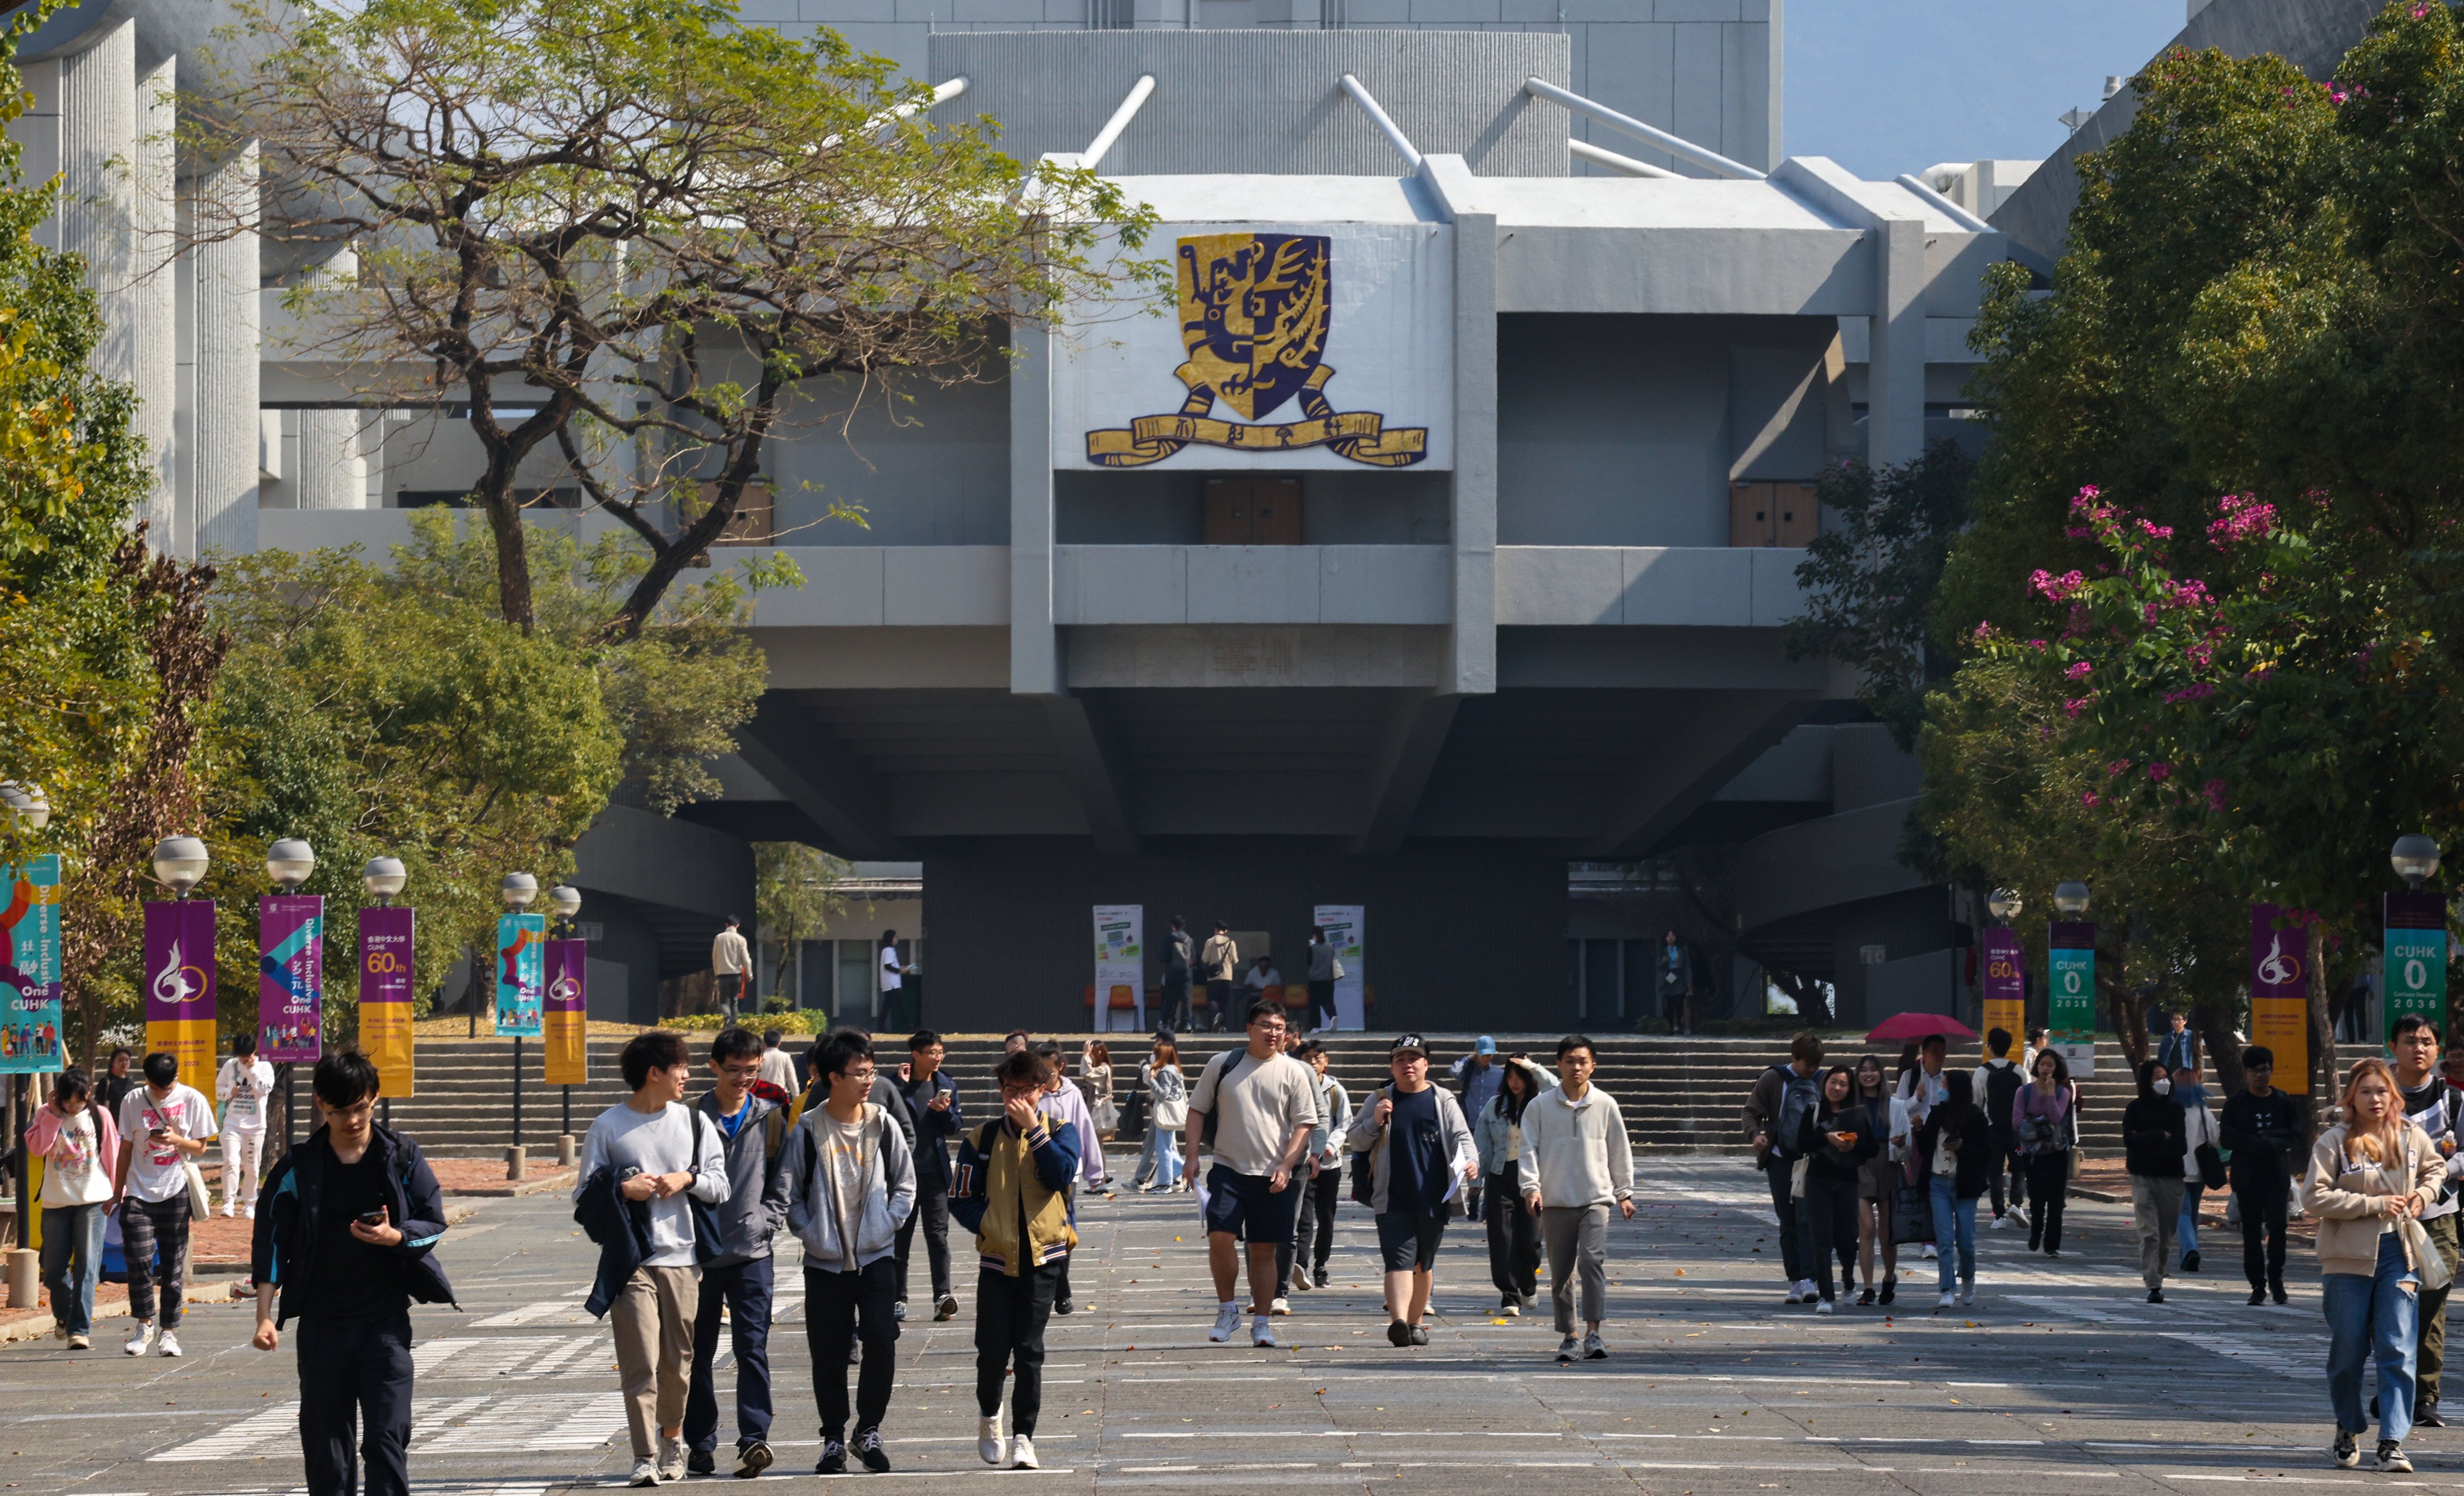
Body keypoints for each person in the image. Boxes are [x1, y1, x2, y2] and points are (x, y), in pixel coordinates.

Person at [248, 1050, 454, 1496]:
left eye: (361, 1106)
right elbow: (270, 1243)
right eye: (341, 1110)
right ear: (322, 1103)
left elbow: (433, 1219)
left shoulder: (400, 1156)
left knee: (386, 1437)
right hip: (323, 1327)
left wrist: (395, 1236)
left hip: (385, 1325)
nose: (353, 1119)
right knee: (328, 1452)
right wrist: (265, 1315)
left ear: (374, 1097)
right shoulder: (297, 1168)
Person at [575, 1029, 732, 1487]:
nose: (687, 1074)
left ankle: (672, 1439)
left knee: (676, 1361)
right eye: (680, 1067)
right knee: (640, 1357)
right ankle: (644, 1454)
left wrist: (687, 1178)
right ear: (654, 1073)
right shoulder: (608, 1126)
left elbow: (719, 1184)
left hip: (684, 1258)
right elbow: (583, 1196)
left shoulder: (695, 1123)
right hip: (632, 1260)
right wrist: (624, 1189)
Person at [777, 1029, 916, 1476]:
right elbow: (789, 1191)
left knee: (882, 1337)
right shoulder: (807, 1128)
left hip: (876, 1256)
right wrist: (808, 1230)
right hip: (825, 1261)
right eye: (859, 1073)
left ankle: (868, 1428)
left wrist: (889, 1221)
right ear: (832, 1077)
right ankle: (833, 1438)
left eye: (870, 1071)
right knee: (829, 1351)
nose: (867, 1080)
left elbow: (905, 1183)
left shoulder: (882, 1123)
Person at [2308, 1057, 2444, 1473]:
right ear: (2352, 1096)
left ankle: (2391, 1442)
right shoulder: (2334, 1140)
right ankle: (2347, 1426)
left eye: (2381, 1090)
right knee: (2348, 1351)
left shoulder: (2409, 1136)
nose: (2374, 1098)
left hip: (2398, 1255)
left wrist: (2423, 1195)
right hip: (2345, 1259)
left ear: (2393, 1096)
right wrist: (2371, 1204)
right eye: (2365, 1090)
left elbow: (2435, 1167)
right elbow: (2314, 1197)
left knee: (2397, 1347)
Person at [951, 1048, 1081, 1471]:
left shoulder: (1062, 1130)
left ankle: (1025, 1436)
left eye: (1026, 1090)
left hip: (1044, 1259)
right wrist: (987, 1225)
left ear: (1042, 1090)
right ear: (1001, 1089)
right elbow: (959, 1196)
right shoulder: (981, 1138)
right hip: (997, 1258)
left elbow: (1062, 1175)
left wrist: (1034, 1133)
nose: (1017, 1097)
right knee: (991, 1352)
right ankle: (990, 1416)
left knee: (1028, 1351)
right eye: (1010, 1089)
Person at [684, 1028, 790, 1480]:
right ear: (714, 1066)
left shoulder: (770, 1117)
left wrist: (766, 1221)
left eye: (751, 1069)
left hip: (752, 1252)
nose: (743, 1077)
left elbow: (782, 1179)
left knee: (752, 1348)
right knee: (698, 1352)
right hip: (701, 1256)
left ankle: (754, 1438)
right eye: (733, 1070)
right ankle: (701, 1444)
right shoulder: (689, 1118)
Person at [1185, 998, 1321, 1349]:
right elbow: (1197, 1110)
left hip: (1273, 1176)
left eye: (1279, 1027)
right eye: (1266, 1025)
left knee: (1264, 1251)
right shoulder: (1223, 1064)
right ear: (1249, 1029)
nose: (1273, 1033)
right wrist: (1190, 1157)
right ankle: (1228, 1309)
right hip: (1228, 1169)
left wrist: (1287, 1165)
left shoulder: (1295, 1071)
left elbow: (1304, 1124)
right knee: (1220, 1236)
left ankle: (1261, 1323)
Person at [1347, 1033, 1477, 1347]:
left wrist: (1470, 1161)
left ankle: (1416, 1323)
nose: (1407, 1065)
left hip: (1434, 1195)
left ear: (1426, 1064)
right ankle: (1399, 1322)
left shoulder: (1442, 1099)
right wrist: (1374, 1121)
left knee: (1423, 1262)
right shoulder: (1380, 1098)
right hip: (1391, 1196)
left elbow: (1462, 1136)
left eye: (1413, 1059)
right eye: (1400, 1060)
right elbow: (1355, 1140)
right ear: (1392, 1067)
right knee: (1397, 1260)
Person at [1521, 1034, 1637, 1361]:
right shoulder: (1539, 1107)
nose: (1576, 1067)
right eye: (1570, 1061)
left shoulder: (1605, 1104)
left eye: (1583, 1061)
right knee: (1561, 1272)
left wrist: (1624, 1193)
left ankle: (1594, 1333)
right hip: (1555, 1201)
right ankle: (1569, 1335)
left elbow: (1619, 1151)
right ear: (1558, 1065)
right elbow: (1527, 1150)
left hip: (1595, 1200)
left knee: (1591, 1262)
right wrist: (1531, 1188)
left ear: (1593, 1067)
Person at [111, 1050, 216, 1357]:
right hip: (138, 1192)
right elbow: (126, 1148)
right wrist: (117, 1192)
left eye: (166, 1089)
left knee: (172, 1265)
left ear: (177, 1078)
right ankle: (144, 1324)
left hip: (175, 1189)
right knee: (138, 1259)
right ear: (147, 1081)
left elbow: (200, 1148)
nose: (161, 1093)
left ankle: (168, 1332)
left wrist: (176, 1141)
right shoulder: (133, 1100)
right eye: (156, 1089)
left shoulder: (193, 1099)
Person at [2394, 1016, 2464, 1426]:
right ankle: (2392, 1384)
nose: (2418, 1048)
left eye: (2426, 1041)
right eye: (2409, 1041)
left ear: (2437, 1051)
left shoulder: (2452, 1100)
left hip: (2437, 1215)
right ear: (2393, 1045)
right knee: (2383, 1306)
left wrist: (2438, 1171)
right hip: (2384, 1217)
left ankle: (2424, 1396)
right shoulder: (2376, 1093)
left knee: (2430, 1305)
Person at [25, 1068, 117, 1350]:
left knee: (88, 1266)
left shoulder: (100, 1115)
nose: (74, 1106)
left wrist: (117, 1194)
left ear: (88, 1095)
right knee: (52, 1269)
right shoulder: (46, 1113)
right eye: (68, 1101)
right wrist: (53, 1115)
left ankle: (79, 1330)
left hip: (93, 1200)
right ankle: (64, 1315)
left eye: (79, 1100)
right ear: (58, 1096)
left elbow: (111, 1153)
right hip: (56, 1202)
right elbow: (37, 1149)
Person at [2220, 1044, 2306, 1305]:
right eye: (2255, 1071)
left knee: (2278, 1228)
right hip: (2247, 1177)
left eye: (2265, 1070)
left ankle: (2277, 1279)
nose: (2261, 1075)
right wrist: (2254, 1144)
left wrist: (2271, 1143)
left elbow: (2294, 1134)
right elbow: (2227, 1137)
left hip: (2276, 1176)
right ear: (2246, 1073)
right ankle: (2257, 1285)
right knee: (2251, 1233)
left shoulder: (2283, 1102)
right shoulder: (2236, 1103)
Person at [1794, 1065, 1880, 1314]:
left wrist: (1853, 1147)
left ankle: (1848, 1277)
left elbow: (1872, 1149)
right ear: (1825, 1084)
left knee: (1845, 1238)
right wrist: (1826, 1139)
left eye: (1843, 1084)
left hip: (1847, 1182)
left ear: (1849, 1089)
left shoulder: (1857, 1115)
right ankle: (1827, 1297)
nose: (1837, 1088)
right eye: (1833, 1082)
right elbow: (1800, 1144)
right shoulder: (1814, 1111)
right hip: (1817, 1181)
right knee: (1821, 1239)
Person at [1744, 1033, 1823, 1304]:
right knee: (1787, 1222)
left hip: (1809, 1161)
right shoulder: (1774, 1079)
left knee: (1806, 1219)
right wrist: (1756, 1135)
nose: (1811, 1069)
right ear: (1794, 1058)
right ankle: (1795, 1281)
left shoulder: (1822, 1080)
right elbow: (1750, 1111)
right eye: (1807, 1064)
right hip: (1779, 1158)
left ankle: (1810, 1279)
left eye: (1816, 1064)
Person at [896, 1029, 963, 1324]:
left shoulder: (945, 1084)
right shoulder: (897, 1085)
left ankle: (942, 1297)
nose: (938, 1058)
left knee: (938, 1237)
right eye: (933, 1053)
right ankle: (898, 1298)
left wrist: (943, 1112)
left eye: (941, 1053)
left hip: (936, 1172)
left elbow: (955, 1127)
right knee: (901, 1239)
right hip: (903, 1175)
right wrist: (900, 1087)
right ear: (916, 1055)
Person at [1034, 1040, 1105, 1316]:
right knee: (1041, 1231)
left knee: (1063, 1232)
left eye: (1048, 1072)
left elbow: (1085, 1130)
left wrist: (1094, 1171)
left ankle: (1062, 1291)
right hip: (1034, 1170)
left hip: (1065, 1172)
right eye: (1039, 1070)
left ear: (1061, 1067)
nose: (1043, 1077)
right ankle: (1051, 1287)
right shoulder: (1031, 1091)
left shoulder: (1072, 1094)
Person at [1475, 1057, 1546, 1314]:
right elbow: (1482, 1146)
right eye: (1510, 1076)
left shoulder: (1542, 1104)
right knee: (1501, 1239)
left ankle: (1527, 1284)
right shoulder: (1495, 1107)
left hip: (1534, 1178)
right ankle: (1509, 1295)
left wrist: (1534, 1067)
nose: (1515, 1082)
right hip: (1500, 1175)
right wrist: (1475, 1183)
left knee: (1531, 1240)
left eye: (1520, 1076)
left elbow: (1556, 1086)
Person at [1915, 1070, 1990, 1309]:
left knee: (1966, 1240)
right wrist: (1918, 1129)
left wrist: (1962, 1147)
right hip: (1938, 1183)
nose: (1941, 1089)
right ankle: (1946, 1288)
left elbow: (1984, 1153)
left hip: (1965, 1185)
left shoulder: (1976, 1117)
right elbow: (1927, 1147)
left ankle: (1968, 1278)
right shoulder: (1937, 1114)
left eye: (1945, 1085)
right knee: (1944, 1240)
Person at [1285, 1039, 1352, 1297]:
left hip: (1329, 1164)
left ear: (1326, 1061)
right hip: (1302, 1162)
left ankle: (1321, 1265)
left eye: (1317, 1058)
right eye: (1308, 1058)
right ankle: (1300, 1264)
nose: (1313, 1062)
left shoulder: (1337, 1091)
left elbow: (1344, 1123)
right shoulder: (1295, 1085)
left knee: (1326, 1218)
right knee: (1302, 1217)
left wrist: (1330, 1146)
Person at [2123, 1057, 2188, 1304]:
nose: (2163, 1081)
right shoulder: (2135, 1109)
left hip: (2171, 1179)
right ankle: (2153, 1284)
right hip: (2142, 1177)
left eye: (2165, 1077)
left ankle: (2157, 1272)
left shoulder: (2176, 1109)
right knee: (2149, 1232)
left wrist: (2147, 1144)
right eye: (2157, 1077)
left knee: (2165, 1235)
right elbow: (2130, 1141)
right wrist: (2159, 1136)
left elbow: (2180, 1145)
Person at [1850, 1055, 1906, 1305]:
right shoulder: (1851, 1104)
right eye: (1864, 1070)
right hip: (1860, 1163)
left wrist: (1901, 1143)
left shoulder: (1895, 1105)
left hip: (1888, 1162)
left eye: (1874, 1070)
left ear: (1881, 1075)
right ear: (1857, 1075)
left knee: (1887, 1233)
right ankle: (1869, 1287)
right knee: (1867, 1229)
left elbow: (1907, 1147)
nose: (1869, 1074)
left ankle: (1888, 1278)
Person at [2014, 1047, 2076, 1256]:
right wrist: (2042, 1126)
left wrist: (2050, 1095)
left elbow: (2057, 1118)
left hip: (2057, 1151)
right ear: (2036, 1066)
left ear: (2057, 1068)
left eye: (2050, 1065)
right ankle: (2036, 1230)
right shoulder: (2025, 1092)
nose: (2046, 1069)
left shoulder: (2063, 1092)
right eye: (2042, 1064)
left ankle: (2052, 1245)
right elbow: (2017, 1121)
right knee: (2037, 1197)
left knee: (2056, 1200)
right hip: (2032, 1154)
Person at [217, 1035, 277, 1218]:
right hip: (232, 1123)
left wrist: (252, 1071)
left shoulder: (265, 1066)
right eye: (241, 1056)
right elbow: (218, 1090)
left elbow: (265, 1090)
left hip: (255, 1126)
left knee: (252, 1166)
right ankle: (229, 1202)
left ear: (254, 1052)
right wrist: (229, 1092)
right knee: (231, 1162)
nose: (244, 1059)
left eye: (247, 1055)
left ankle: (249, 1203)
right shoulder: (230, 1066)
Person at [1972, 1029, 2027, 1228]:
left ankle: (1999, 1216)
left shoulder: (1982, 1071)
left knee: (1995, 1171)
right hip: (2016, 1129)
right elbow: (2025, 1100)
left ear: (1990, 1047)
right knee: (2019, 1168)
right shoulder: (2019, 1070)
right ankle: (2017, 1205)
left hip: (1992, 1128)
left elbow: (1977, 1103)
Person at [1451, 1038, 1503, 1221]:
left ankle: (1487, 1206)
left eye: (1490, 1055)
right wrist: (1469, 1059)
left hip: (1491, 1125)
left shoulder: (1499, 1074)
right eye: (1483, 1054)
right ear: (1477, 1052)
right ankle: (1473, 1202)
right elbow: (1454, 1071)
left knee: (1489, 1165)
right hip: (1471, 1124)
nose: (1487, 1058)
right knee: (1473, 1165)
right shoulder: (1468, 1072)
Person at [2176, 1060, 2219, 1275]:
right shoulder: (2203, 1111)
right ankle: (2188, 1255)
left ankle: (2190, 1250)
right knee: (2192, 1213)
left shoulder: (2173, 1110)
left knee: (2182, 1213)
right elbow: (2216, 1137)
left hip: (2179, 1169)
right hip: (2201, 1169)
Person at [1142, 1040, 1188, 1193]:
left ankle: (1165, 1183)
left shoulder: (1167, 1072)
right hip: (1171, 1114)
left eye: (1156, 1054)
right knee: (1165, 1148)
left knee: (1164, 1149)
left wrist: (1151, 1080)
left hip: (1166, 1114)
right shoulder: (1174, 1069)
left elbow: (1164, 1094)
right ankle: (1184, 1172)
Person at [1199, 923, 1240, 1032]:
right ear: (1226, 930)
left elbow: (1204, 959)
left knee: (1212, 999)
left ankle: (1216, 1014)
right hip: (1227, 977)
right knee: (1224, 1002)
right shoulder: (1231, 943)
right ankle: (1223, 1027)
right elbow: (1235, 960)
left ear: (1215, 929)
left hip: (1213, 977)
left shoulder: (1210, 942)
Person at [712, 916, 752, 1023]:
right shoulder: (741, 939)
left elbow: (714, 957)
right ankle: (733, 1026)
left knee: (724, 1001)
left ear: (726, 924)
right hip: (736, 974)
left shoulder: (719, 938)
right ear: (738, 925)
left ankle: (727, 1017)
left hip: (722, 974)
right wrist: (749, 974)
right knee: (734, 1001)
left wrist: (717, 972)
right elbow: (746, 959)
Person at [1304, 926, 1343, 1033]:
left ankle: (1316, 1027)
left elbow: (1309, 962)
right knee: (1328, 1002)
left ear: (1315, 935)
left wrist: (1311, 946)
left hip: (1315, 980)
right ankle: (1333, 1017)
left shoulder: (1312, 948)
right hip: (1328, 980)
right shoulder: (1330, 947)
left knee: (1315, 1004)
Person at [1161, 916, 1196, 1033]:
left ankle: (1165, 1022)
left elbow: (1163, 957)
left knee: (1170, 999)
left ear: (1173, 926)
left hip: (1172, 975)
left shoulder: (1168, 939)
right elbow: (1194, 959)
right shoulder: (1189, 940)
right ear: (1184, 926)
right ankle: (1188, 1024)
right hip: (1186, 976)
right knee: (1187, 999)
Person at [1080, 1041, 1117, 1144]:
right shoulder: (1098, 1067)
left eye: (1091, 1052)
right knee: (1095, 1145)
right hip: (1093, 1110)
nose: (1089, 1055)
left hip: (1097, 1112)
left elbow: (1085, 1073)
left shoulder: (1103, 1069)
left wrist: (1085, 1055)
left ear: (1099, 1053)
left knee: (1096, 1145)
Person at [1658, 931, 1693, 1034]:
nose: (1671, 938)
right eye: (1668, 935)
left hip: (1679, 976)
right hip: (1668, 976)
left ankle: (1678, 1023)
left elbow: (1687, 966)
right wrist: (1664, 961)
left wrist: (1689, 981)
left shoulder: (1682, 950)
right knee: (1669, 1003)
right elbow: (1658, 966)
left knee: (1679, 1002)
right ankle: (1671, 1026)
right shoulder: (1663, 951)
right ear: (1665, 938)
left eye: (1673, 935)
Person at [99, 1046, 138, 1118]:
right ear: (113, 1063)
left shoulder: (130, 1082)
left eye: (127, 1060)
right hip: (111, 1122)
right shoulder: (106, 1081)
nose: (124, 1063)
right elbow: (99, 1104)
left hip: (127, 1122)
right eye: (121, 1060)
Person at [758, 1030, 799, 1094]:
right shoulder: (785, 1057)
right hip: (780, 1093)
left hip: (762, 1093)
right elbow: (792, 1080)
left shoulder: (759, 1057)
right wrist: (796, 1097)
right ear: (779, 1044)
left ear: (764, 1043)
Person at [2156, 1011, 2197, 1076]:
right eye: (2174, 1019)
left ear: (2185, 1021)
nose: (2176, 1022)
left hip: (2186, 1072)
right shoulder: (2168, 1037)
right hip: (2170, 1072)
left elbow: (2198, 1056)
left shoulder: (2191, 1036)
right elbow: (2161, 1056)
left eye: (2179, 1019)